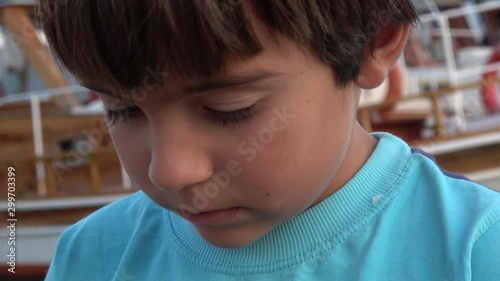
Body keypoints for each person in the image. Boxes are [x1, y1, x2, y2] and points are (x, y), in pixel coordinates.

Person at [39, 1, 500, 280]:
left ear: (373, 42)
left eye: (229, 109)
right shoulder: (91, 256)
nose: (170, 170)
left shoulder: (478, 251)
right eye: (122, 110)